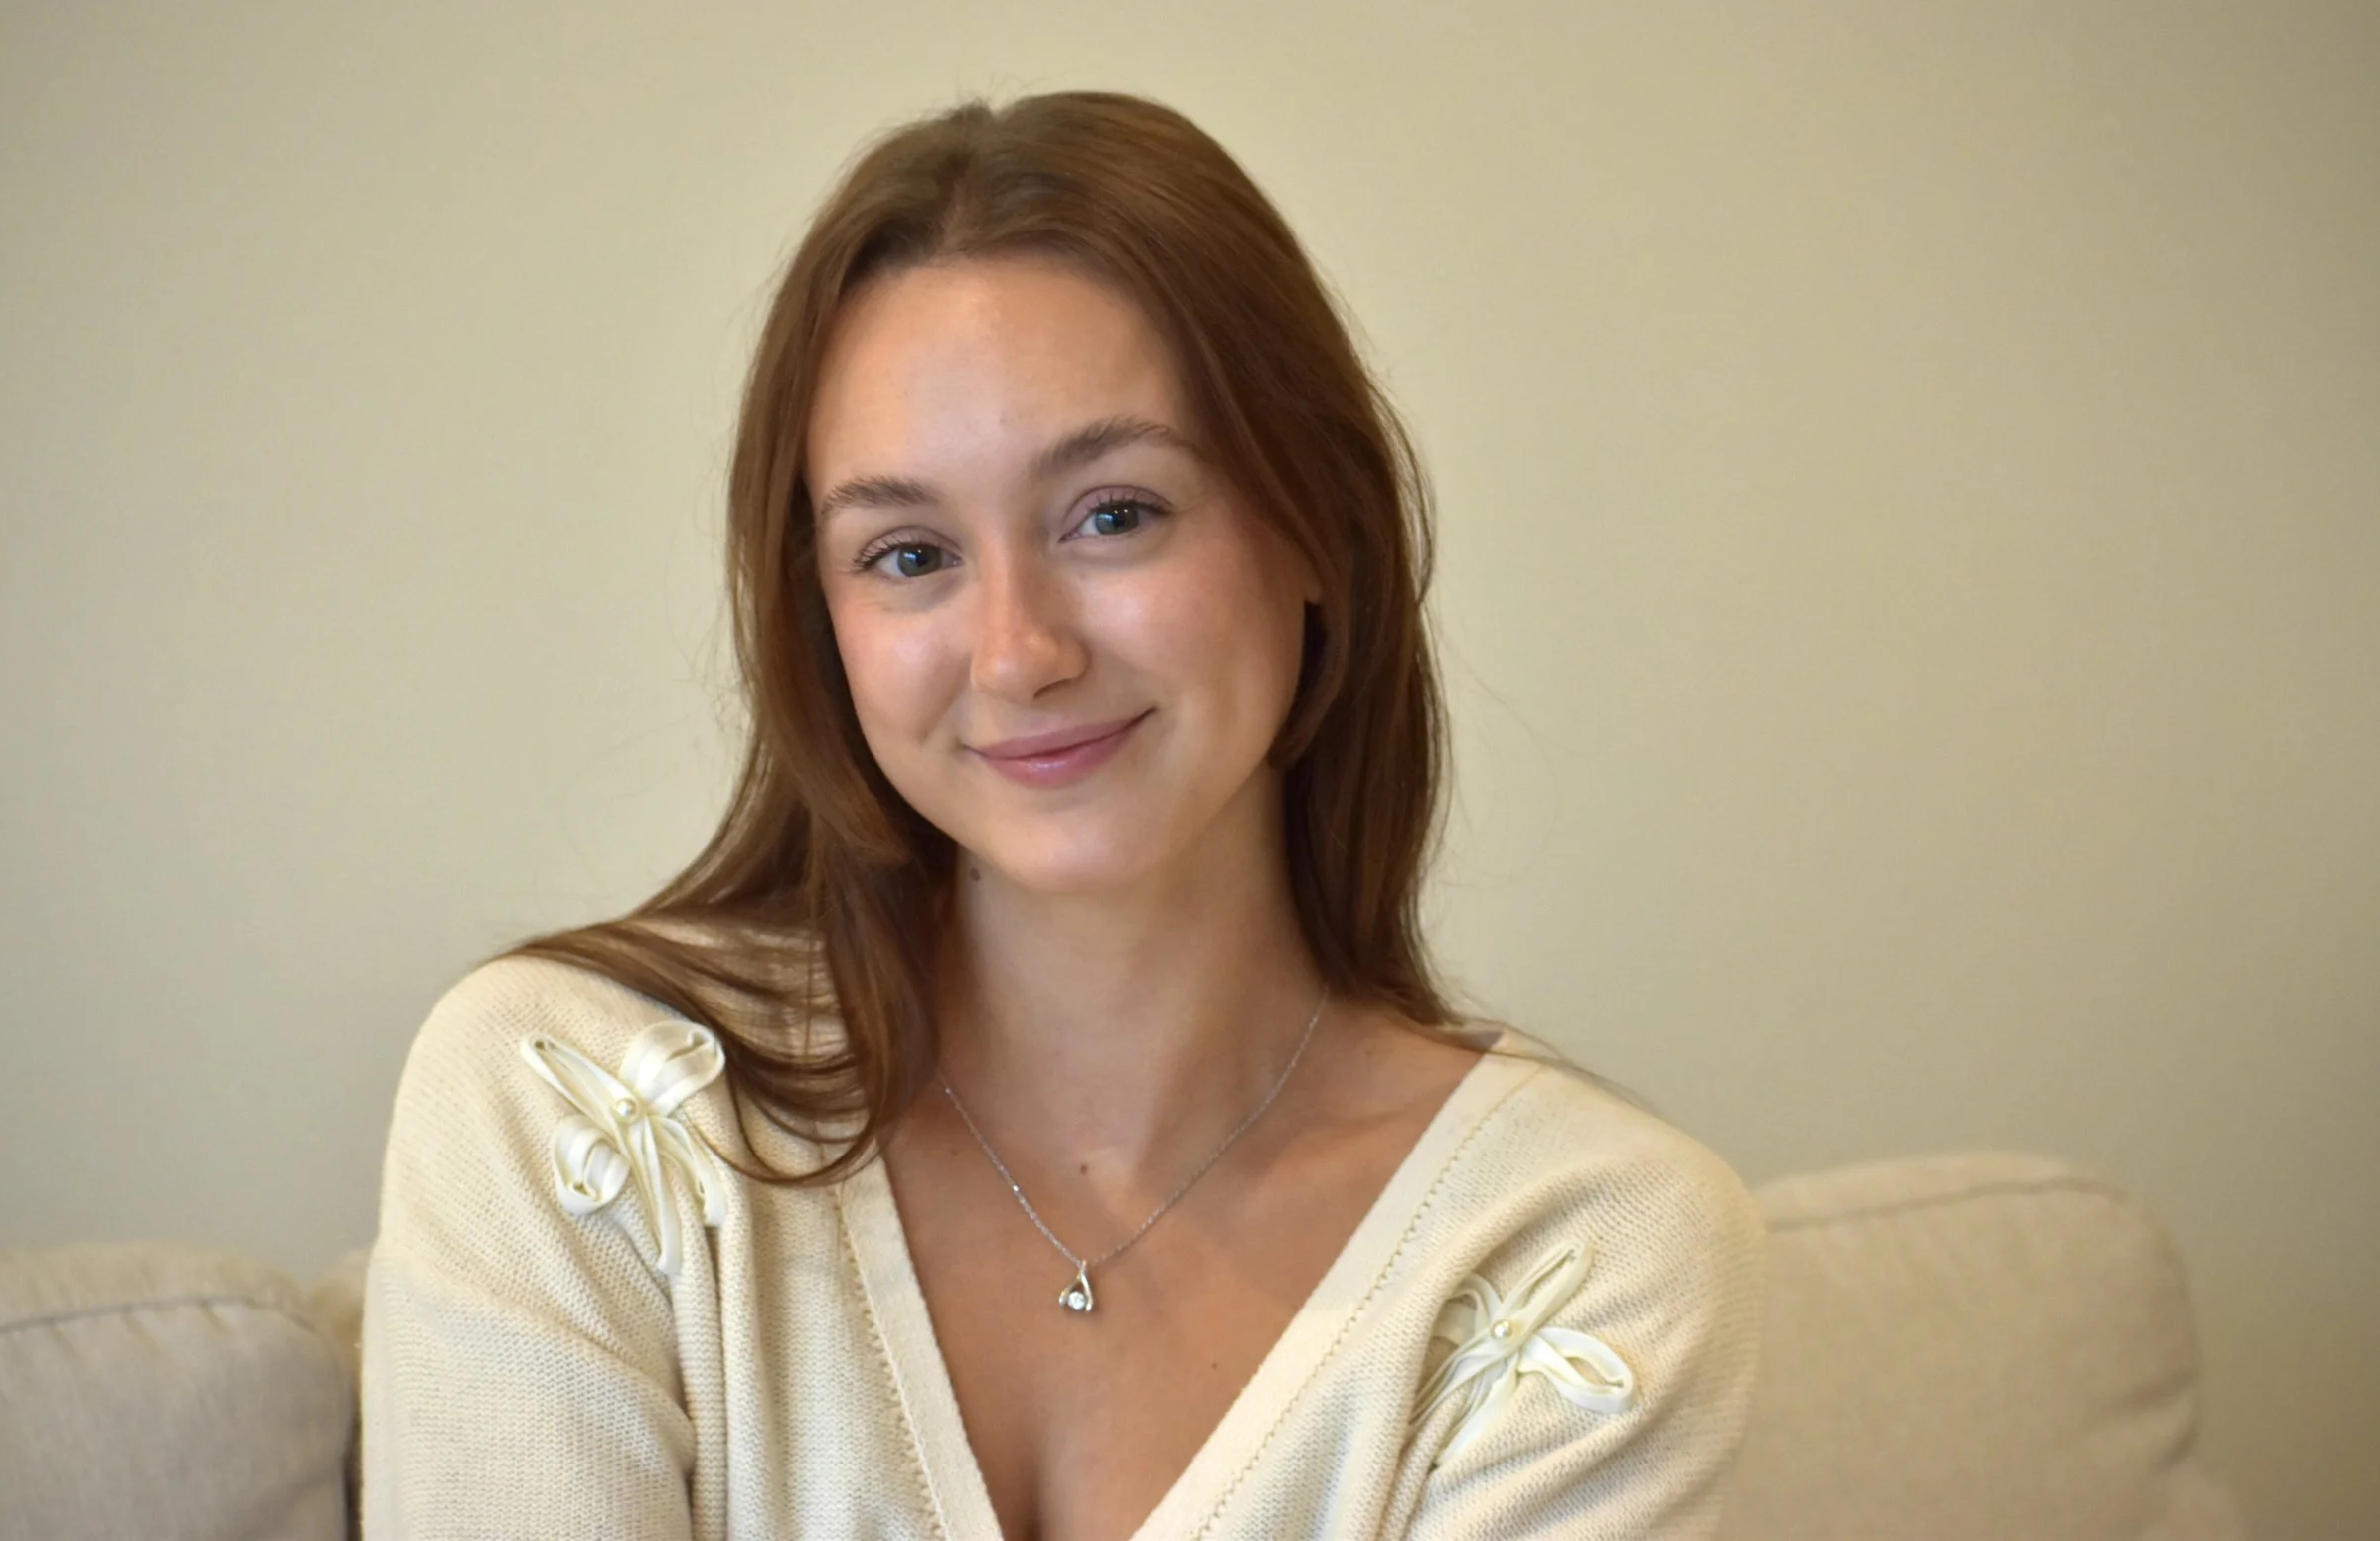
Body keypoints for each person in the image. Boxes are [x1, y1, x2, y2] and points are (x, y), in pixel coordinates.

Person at [361, 90, 1766, 1540]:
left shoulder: (1590, 1251)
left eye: (1113, 514)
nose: (1018, 654)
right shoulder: (563, 1101)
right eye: (910, 554)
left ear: (1315, 528)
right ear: (821, 617)